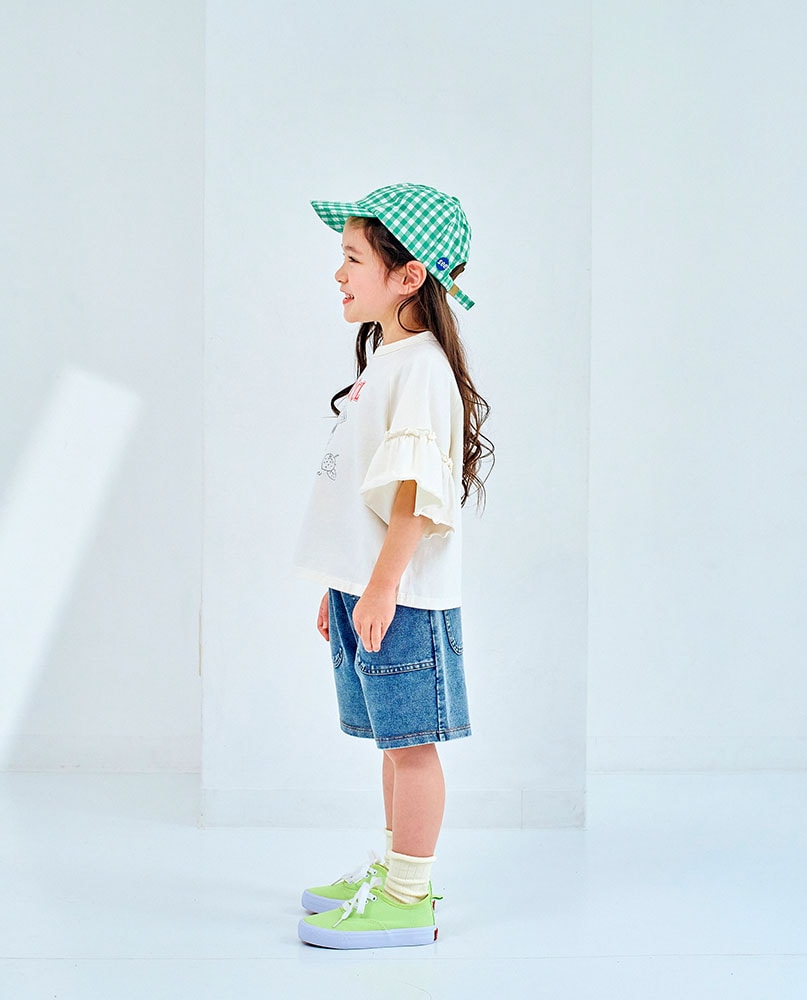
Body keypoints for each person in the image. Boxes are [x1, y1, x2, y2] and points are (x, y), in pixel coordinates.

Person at [293, 183, 493, 949]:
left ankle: (409, 897)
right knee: (394, 741)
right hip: (372, 589)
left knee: (412, 746)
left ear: (409, 276)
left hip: (401, 595)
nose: (338, 274)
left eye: (352, 259)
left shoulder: (421, 369)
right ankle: (394, 873)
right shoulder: (391, 359)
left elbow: (416, 496)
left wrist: (380, 586)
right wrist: (344, 584)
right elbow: (365, 492)